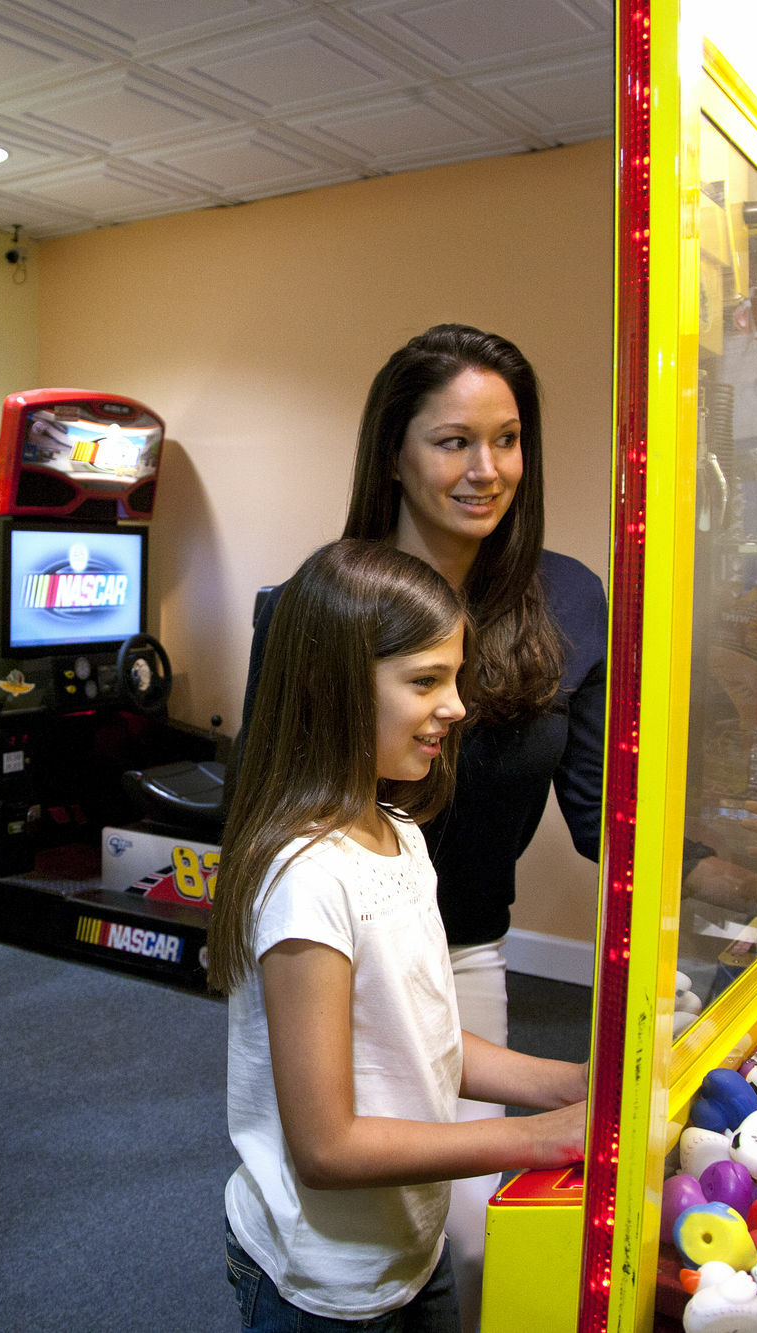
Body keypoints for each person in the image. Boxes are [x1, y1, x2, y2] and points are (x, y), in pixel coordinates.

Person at [241, 324, 606, 1326]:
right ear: (393, 453)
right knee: (354, 1235)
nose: (484, 469)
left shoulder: (569, 596)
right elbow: (267, 809)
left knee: (461, 1248)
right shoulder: (317, 610)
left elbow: (596, 812)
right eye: (451, 441)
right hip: (329, 954)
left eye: (507, 438)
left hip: (460, 947)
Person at [211, 539, 587, 1332]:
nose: (456, 706)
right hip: (326, 1282)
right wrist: (536, 1140)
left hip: (411, 1247)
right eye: (425, 681)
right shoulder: (308, 877)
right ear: (335, 689)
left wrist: (563, 1085)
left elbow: (421, 1037)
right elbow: (328, 1146)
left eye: (454, 677)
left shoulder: (400, 831)